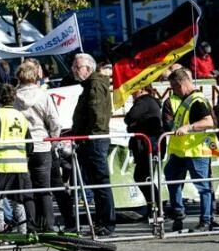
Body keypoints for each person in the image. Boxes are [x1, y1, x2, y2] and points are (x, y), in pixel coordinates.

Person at [163, 68, 217, 232]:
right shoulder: (187, 99)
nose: (173, 91)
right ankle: (178, 212)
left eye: (173, 87)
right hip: (182, 151)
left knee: (203, 186)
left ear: (180, 84)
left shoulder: (197, 100)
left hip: (196, 150)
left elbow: (208, 122)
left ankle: (206, 221)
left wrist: (189, 127)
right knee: (170, 175)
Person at [71, 53, 115, 237]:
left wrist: (89, 135)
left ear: (88, 68)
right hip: (91, 138)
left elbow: (97, 114)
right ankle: (101, 221)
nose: (74, 70)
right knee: (96, 183)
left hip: (95, 139)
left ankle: (107, 223)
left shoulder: (95, 85)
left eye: (77, 66)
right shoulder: (90, 84)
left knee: (101, 183)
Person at [14, 60, 62, 231]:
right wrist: (54, 140)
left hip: (21, 147)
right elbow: (55, 121)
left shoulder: (13, 97)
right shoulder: (43, 96)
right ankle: (49, 226)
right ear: (35, 76)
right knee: (44, 189)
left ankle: (31, 227)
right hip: (42, 145)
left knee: (26, 189)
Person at [0, 84, 35, 234]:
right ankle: (23, 231)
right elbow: (30, 146)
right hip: (19, 165)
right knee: (18, 200)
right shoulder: (21, 116)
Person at [124, 86, 163, 217]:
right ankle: (154, 208)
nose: (131, 94)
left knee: (144, 177)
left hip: (148, 146)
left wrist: (134, 124)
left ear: (140, 89)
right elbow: (130, 123)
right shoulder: (148, 102)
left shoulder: (144, 101)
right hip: (147, 145)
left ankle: (156, 208)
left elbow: (130, 117)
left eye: (133, 91)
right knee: (144, 177)